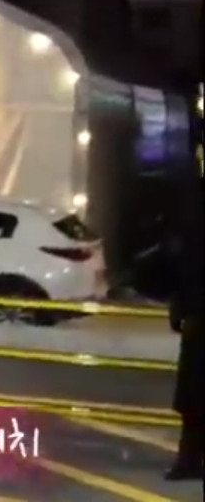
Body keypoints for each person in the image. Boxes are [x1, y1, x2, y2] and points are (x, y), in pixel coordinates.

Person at [167, 108, 203, 481]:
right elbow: (186, 257)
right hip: (198, 311)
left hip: (197, 310)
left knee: (195, 394)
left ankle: (189, 460)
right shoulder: (194, 199)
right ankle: (189, 460)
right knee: (193, 396)